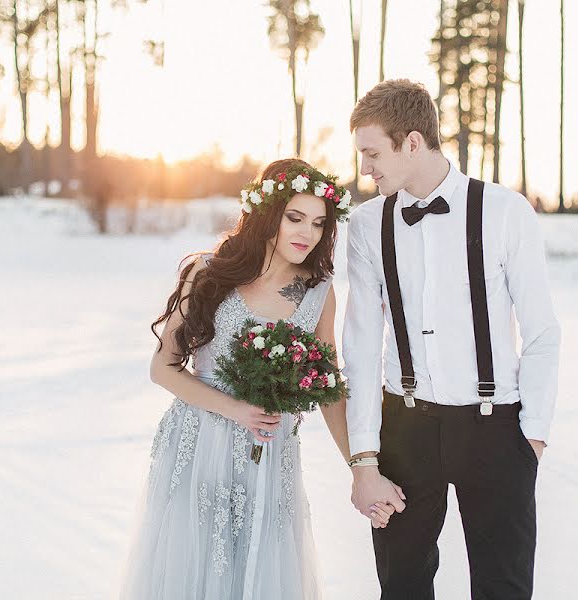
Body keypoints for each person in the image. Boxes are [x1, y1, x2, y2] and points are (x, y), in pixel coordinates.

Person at [120, 158, 394, 599]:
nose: (307, 233)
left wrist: (361, 469)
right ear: (268, 214)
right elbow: (163, 368)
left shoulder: (318, 292)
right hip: (198, 447)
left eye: (320, 223)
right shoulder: (207, 273)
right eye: (295, 218)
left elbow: (329, 390)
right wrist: (237, 410)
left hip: (270, 455)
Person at [342, 79, 562, 599]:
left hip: (496, 429)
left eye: (373, 153)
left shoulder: (507, 212)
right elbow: (360, 346)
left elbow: (543, 331)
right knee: (402, 586)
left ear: (412, 142)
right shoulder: (367, 225)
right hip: (405, 429)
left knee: (502, 588)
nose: (365, 168)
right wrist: (364, 458)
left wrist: (532, 437)